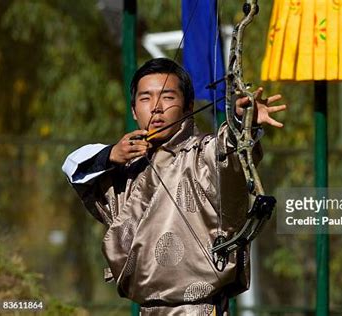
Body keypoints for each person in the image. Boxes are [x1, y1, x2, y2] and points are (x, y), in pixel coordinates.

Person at [62, 58, 286, 315]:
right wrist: (111, 154)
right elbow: (74, 168)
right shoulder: (124, 171)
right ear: (134, 110)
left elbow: (228, 151)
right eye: (145, 99)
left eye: (168, 97)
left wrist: (243, 120)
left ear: (189, 106)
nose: (156, 108)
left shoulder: (202, 154)